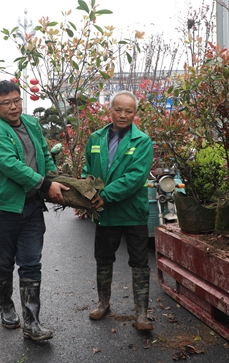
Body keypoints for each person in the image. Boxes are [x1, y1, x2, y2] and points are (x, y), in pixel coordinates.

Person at [0, 80, 68, 341]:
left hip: (31, 206)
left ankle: (32, 323)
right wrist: (46, 185)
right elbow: (11, 166)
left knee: (31, 264)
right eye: (7, 103)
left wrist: (53, 176)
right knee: (4, 265)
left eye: (17, 100)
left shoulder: (31, 123)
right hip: (0, 209)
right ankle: (6, 305)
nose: (14, 107)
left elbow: (44, 154)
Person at [82, 90, 155, 331]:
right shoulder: (95, 138)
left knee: (140, 262)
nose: (123, 115)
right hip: (105, 214)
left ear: (135, 114)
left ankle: (141, 313)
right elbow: (87, 171)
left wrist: (105, 196)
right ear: (110, 110)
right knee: (103, 258)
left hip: (132, 212)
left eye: (128, 111)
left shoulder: (142, 141)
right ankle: (103, 303)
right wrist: (85, 192)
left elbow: (135, 177)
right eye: (118, 109)